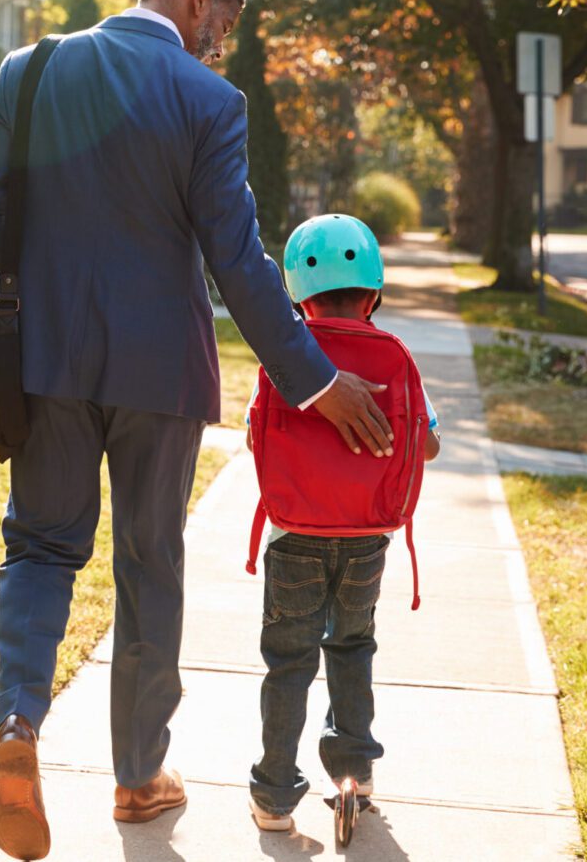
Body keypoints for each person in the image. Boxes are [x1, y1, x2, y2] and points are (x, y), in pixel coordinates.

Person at [0, 0, 395, 861]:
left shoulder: (28, 70)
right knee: (149, 564)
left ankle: (19, 727)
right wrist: (314, 377)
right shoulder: (206, 100)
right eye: (222, 28)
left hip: (46, 358)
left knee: (38, 544)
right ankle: (138, 775)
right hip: (161, 373)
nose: (219, 48)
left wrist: (46, 268)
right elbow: (238, 259)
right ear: (198, 0)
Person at [244, 214, 441, 833]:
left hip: (294, 534)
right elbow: (428, 444)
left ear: (297, 296)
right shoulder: (395, 355)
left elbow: (256, 434)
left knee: (289, 661)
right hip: (366, 539)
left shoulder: (288, 357)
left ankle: (275, 796)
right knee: (352, 648)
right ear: (374, 292)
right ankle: (354, 773)